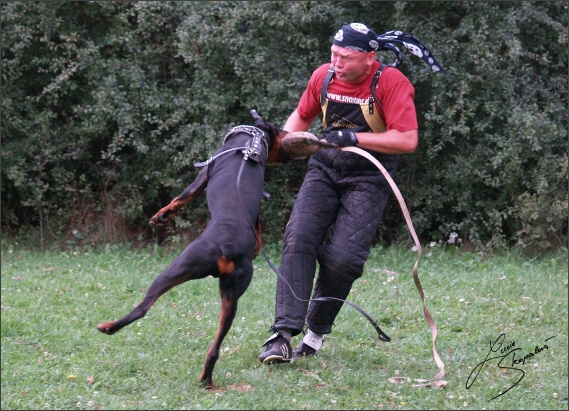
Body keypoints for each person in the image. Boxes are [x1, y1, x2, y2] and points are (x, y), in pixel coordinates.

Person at [259, 22, 419, 363]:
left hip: (370, 175)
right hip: (325, 167)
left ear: (369, 58)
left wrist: (355, 138)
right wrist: (278, 145)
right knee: (298, 237)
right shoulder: (324, 77)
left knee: (344, 259)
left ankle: (315, 334)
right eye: (333, 54)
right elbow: (301, 118)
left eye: (345, 57)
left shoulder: (390, 82)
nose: (337, 63)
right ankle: (282, 335)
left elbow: (406, 139)